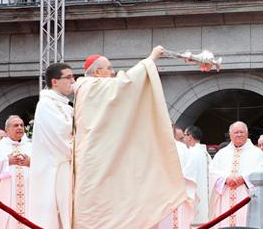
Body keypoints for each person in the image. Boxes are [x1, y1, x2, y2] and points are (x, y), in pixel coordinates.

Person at [72, 47, 188, 229]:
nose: (113, 72)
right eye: (109, 68)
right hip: (96, 157)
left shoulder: (89, 88)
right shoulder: (92, 87)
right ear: (97, 72)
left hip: (99, 155)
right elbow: (125, 83)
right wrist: (151, 59)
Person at [28, 62, 74, 229]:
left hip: (65, 164)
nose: (73, 81)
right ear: (55, 82)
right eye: (68, 77)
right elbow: (59, 134)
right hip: (55, 166)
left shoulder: (63, 105)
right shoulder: (46, 104)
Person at [209, 122, 263, 228]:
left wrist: (244, 178)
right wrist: (225, 179)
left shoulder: (257, 153)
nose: (239, 135)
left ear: (247, 134)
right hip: (226, 195)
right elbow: (212, 171)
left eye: (241, 132)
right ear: (230, 135)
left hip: (247, 195)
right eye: (236, 132)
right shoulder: (222, 153)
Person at [0, 115, 32, 229]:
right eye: (16, 125)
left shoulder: (31, 147)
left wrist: (31, 163)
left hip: (29, 197)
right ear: (7, 130)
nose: (20, 127)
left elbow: (44, 167)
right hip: (5, 197)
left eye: (21, 125)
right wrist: (6, 161)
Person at [184, 125, 212, 225]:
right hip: (206, 200)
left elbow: (186, 175)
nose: (183, 138)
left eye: (185, 135)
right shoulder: (206, 153)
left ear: (190, 137)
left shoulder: (191, 153)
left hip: (196, 197)